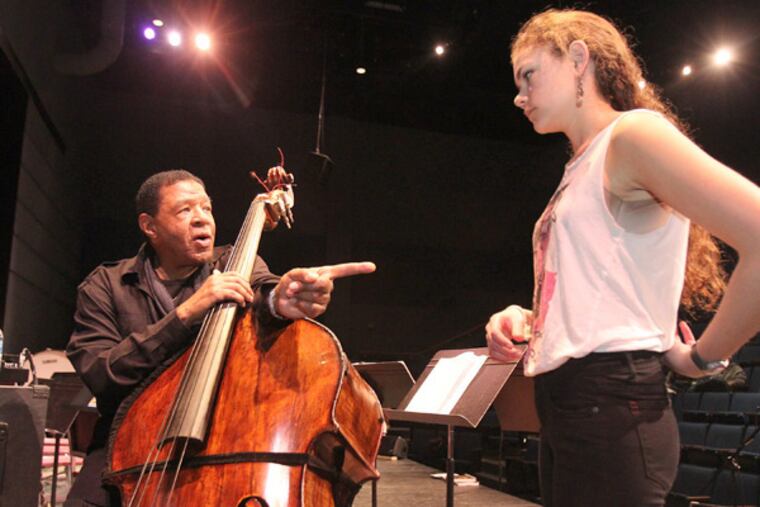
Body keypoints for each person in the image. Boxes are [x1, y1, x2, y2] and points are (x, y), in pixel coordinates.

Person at [485, 9, 760, 507]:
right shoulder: (583, 163)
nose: (518, 96)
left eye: (528, 75)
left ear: (577, 58)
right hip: (573, 407)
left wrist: (701, 358)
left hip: (610, 408)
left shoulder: (632, 135)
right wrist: (527, 317)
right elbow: (597, 295)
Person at [64, 169, 375, 506]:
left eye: (206, 208)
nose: (201, 220)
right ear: (149, 226)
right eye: (185, 210)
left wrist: (281, 299)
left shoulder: (234, 263)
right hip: (123, 447)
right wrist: (185, 314)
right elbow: (100, 372)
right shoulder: (105, 286)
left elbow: (265, 293)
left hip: (225, 445)